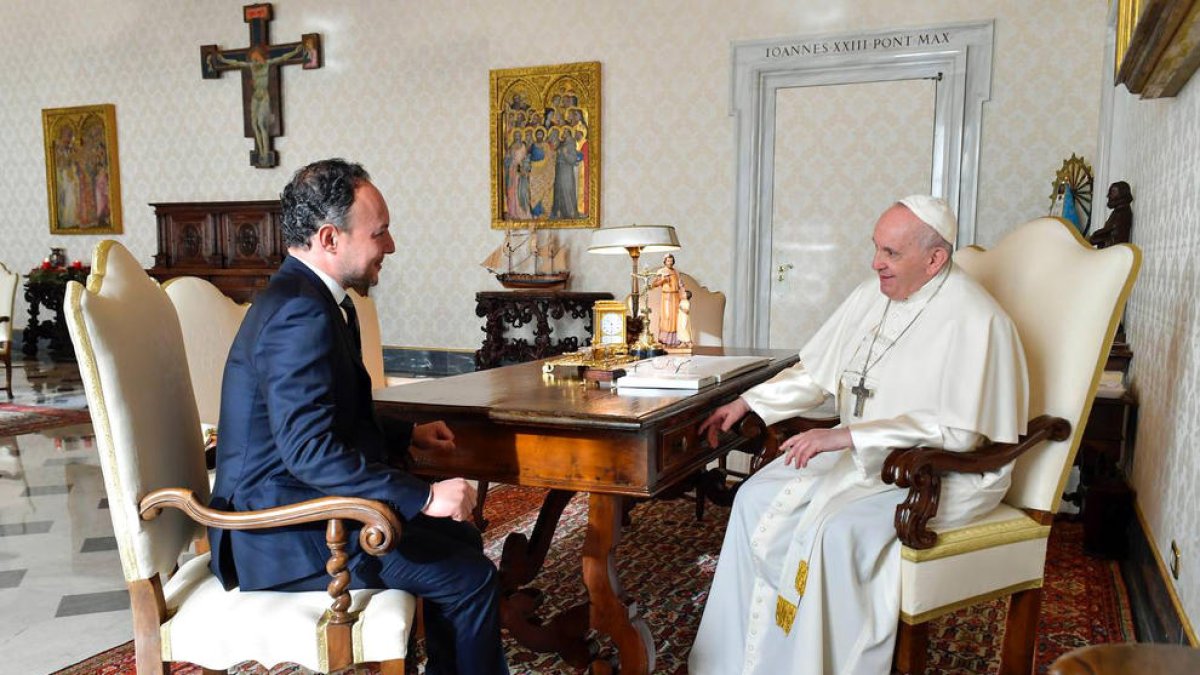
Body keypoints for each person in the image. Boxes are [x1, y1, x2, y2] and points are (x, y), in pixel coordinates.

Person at [688, 196, 1029, 674]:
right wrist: (750, 403)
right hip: (869, 458)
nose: (876, 263)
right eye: (876, 248)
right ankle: (745, 663)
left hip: (942, 473)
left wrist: (847, 438)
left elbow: (963, 430)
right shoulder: (873, 295)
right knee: (755, 497)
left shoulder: (978, 320)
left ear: (935, 259)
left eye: (891, 253)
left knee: (836, 533)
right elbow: (817, 372)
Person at [209, 158, 508, 674]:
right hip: (279, 532)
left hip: (306, 506)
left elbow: (330, 417)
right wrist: (426, 496)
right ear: (330, 238)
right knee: (470, 577)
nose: (389, 247)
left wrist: (406, 433)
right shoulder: (299, 313)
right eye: (380, 233)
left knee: (460, 542)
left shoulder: (311, 299)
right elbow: (309, 452)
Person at [650, 253, 684, 345]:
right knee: (667, 316)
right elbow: (654, 285)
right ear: (665, 261)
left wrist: (681, 288)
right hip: (667, 297)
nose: (670, 262)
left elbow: (680, 284)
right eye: (668, 260)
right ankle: (665, 339)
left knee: (676, 316)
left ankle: (676, 339)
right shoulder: (661, 271)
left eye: (671, 260)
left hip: (675, 296)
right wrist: (663, 280)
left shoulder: (676, 271)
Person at [1088, 181, 1133, 249]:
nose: (1108, 195)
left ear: (1122, 194)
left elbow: (1104, 234)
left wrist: (1089, 239)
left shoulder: (1121, 213)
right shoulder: (1118, 211)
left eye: (1112, 192)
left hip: (1111, 254)